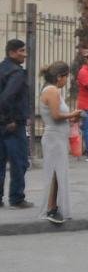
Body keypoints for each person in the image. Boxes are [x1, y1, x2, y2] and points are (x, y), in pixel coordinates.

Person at [38, 62, 82, 224]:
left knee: (58, 173)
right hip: (53, 137)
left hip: (57, 136)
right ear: (59, 77)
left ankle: (53, 206)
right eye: (66, 77)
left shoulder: (52, 90)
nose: (66, 81)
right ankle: (50, 207)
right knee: (54, 173)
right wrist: (72, 114)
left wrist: (72, 117)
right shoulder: (52, 91)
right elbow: (56, 115)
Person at [0, 39, 33, 208]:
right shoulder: (16, 73)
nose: (25, 54)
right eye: (21, 51)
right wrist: (10, 119)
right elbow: (7, 98)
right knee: (19, 162)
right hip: (13, 125)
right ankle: (17, 198)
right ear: (12, 52)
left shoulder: (2, 68)